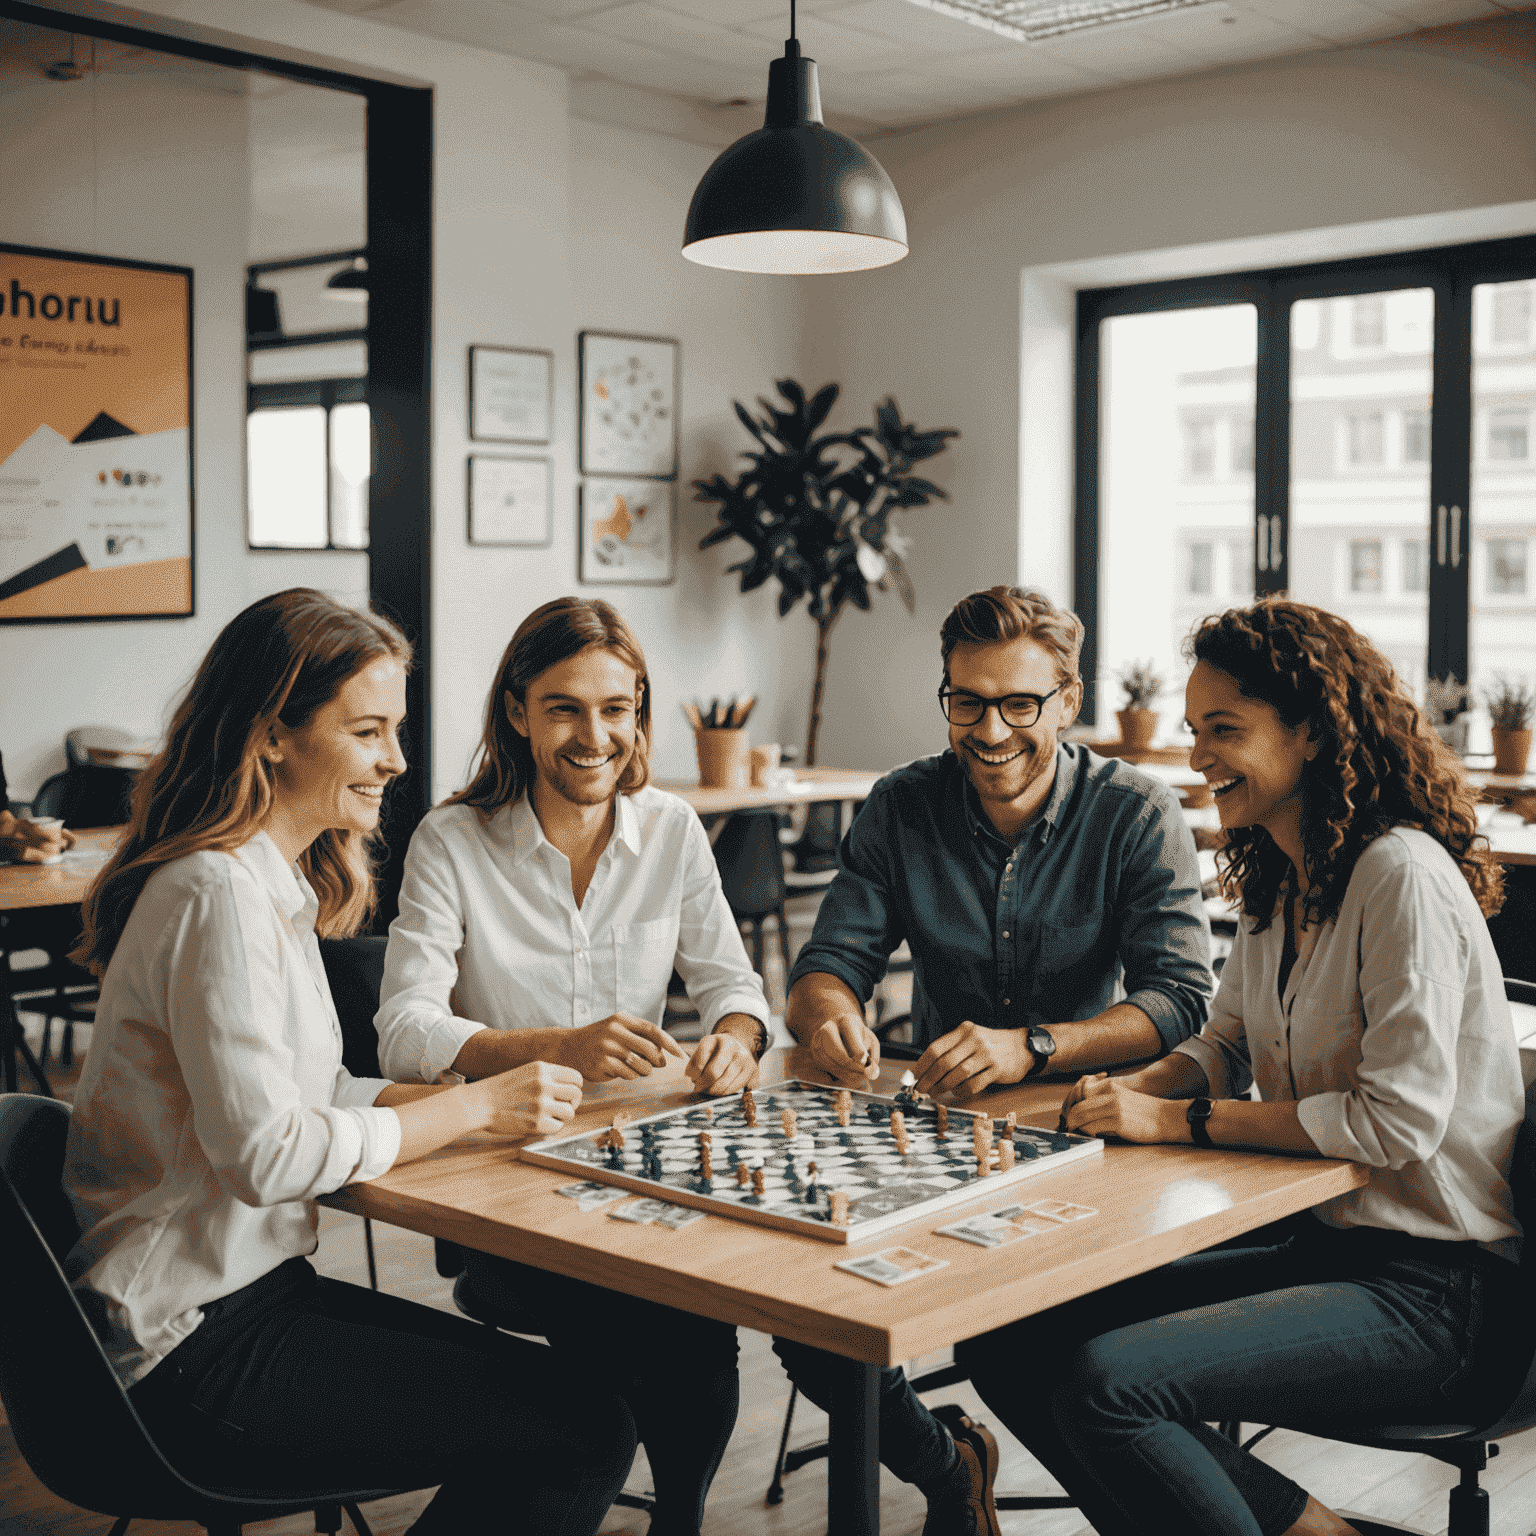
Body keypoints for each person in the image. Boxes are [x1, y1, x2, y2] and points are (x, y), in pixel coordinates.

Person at [62, 588, 635, 1536]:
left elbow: (309, 1093)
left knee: (576, 1405)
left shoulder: (263, 880)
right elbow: (269, 1156)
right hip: (188, 1343)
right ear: (272, 734)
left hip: (241, 1299)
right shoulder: (216, 894)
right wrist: (469, 1110)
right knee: (581, 1428)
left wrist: (422, 1095)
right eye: (368, 731)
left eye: (396, 730)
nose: (397, 762)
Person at [958, 596, 1527, 1536]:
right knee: (1013, 1324)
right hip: (1330, 1248)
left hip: (1441, 1292)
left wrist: (1176, 1122)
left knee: (1111, 1385)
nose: (1198, 756)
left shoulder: (1400, 874)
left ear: (1310, 731)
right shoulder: (1283, 872)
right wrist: (1139, 1087)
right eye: (1194, 731)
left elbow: (1397, 1123)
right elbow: (1222, 1044)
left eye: (1226, 730)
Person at [774, 584, 1213, 1535]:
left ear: (1066, 699)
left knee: (1040, 1352)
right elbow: (825, 966)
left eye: (1020, 703)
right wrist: (831, 1018)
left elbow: (1181, 1001)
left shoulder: (1135, 812)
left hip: (1100, 1142)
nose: (991, 730)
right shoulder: (900, 804)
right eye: (966, 700)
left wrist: (1035, 1047)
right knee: (808, 1324)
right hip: (938, 1135)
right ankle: (945, 1461)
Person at [375, 595, 771, 1536]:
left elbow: (737, 988)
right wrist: (553, 1048)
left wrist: (735, 1041)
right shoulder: (452, 840)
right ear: (518, 711)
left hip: (644, 1169)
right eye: (565, 708)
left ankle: (678, 1518)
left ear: (638, 712)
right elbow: (402, 1029)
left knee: (702, 1324)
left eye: (616, 708)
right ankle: (569, 1483)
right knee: (654, 1327)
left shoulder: (671, 828)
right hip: (509, 1185)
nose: (594, 736)